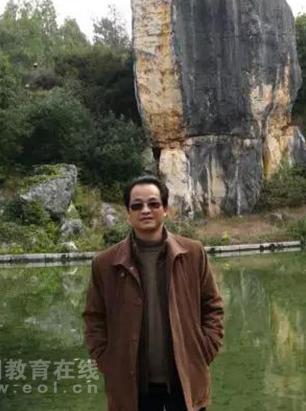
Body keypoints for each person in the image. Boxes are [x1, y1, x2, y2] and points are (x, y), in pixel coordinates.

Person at [82, 176, 224, 411]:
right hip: (131, 383)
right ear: (128, 214)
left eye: (153, 204)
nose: (145, 210)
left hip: (186, 376)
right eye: (137, 205)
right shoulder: (105, 263)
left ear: (165, 209)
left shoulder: (193, 253)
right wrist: (107, 360)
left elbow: (212, 307)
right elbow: (94, 318)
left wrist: (205, 349)